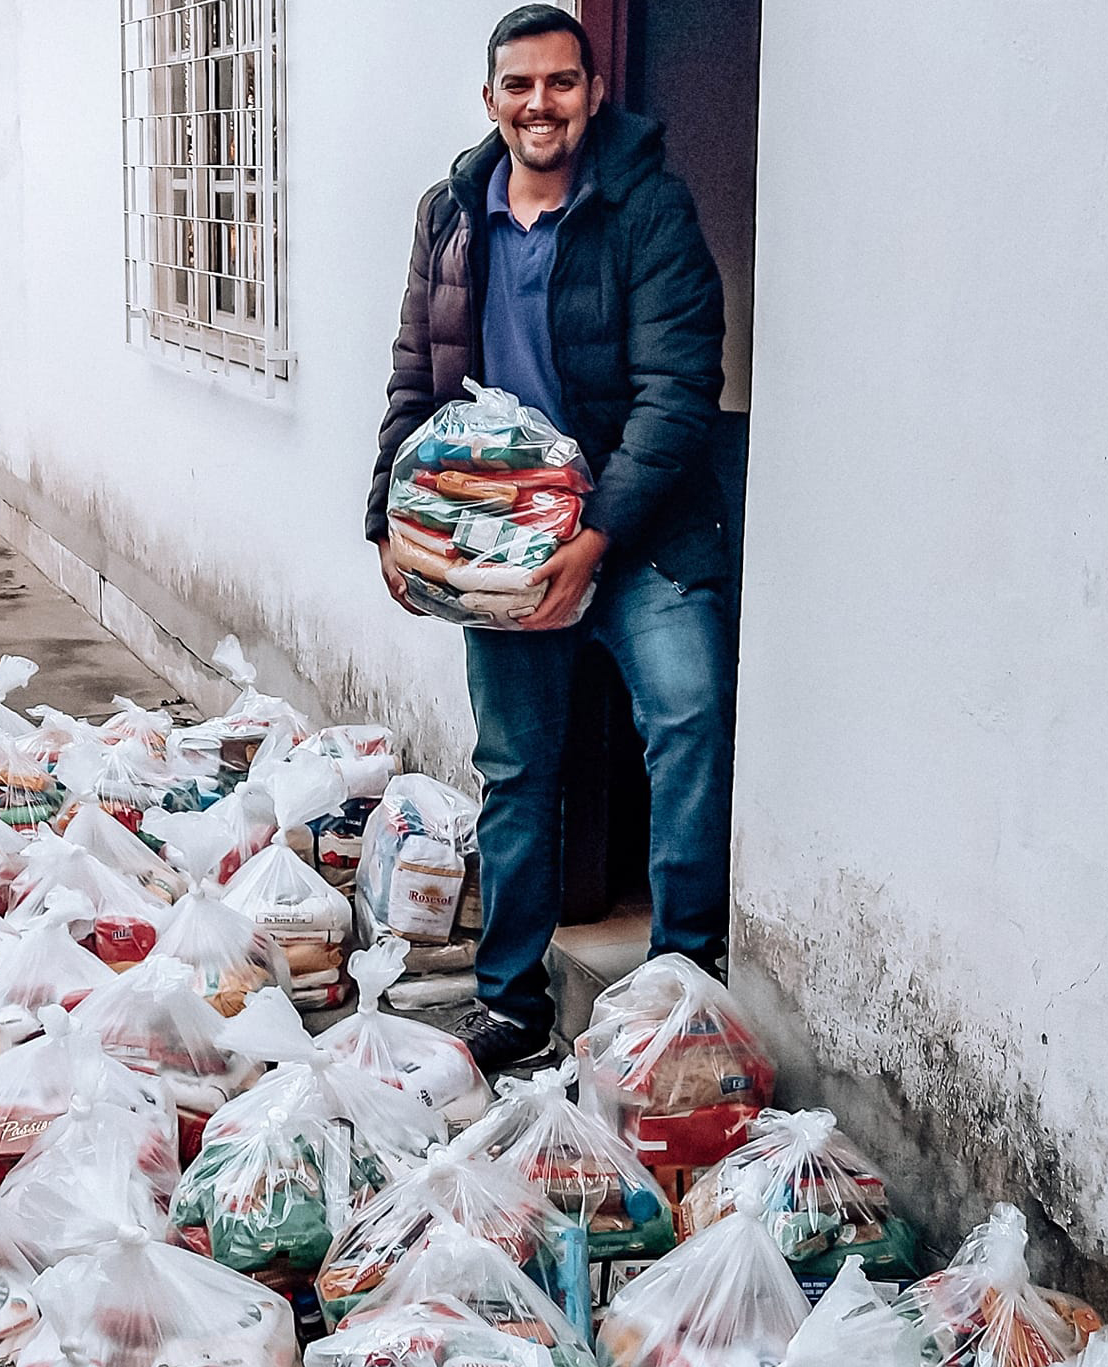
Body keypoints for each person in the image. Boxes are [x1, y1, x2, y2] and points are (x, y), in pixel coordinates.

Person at [367, 5, 734, 1072]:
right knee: (520, 769)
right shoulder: (450, 215)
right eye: (519, 85)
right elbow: (414, 382)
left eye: (561, 84)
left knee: (688, 727)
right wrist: (390, 520)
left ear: (590, 93)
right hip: (498, 546)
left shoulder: (647, 208)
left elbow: (678, 392)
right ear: (492, 100)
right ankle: (512, 1003)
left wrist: (599, 531)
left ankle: (677, 992)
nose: (541, 104)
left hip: (644, 532)